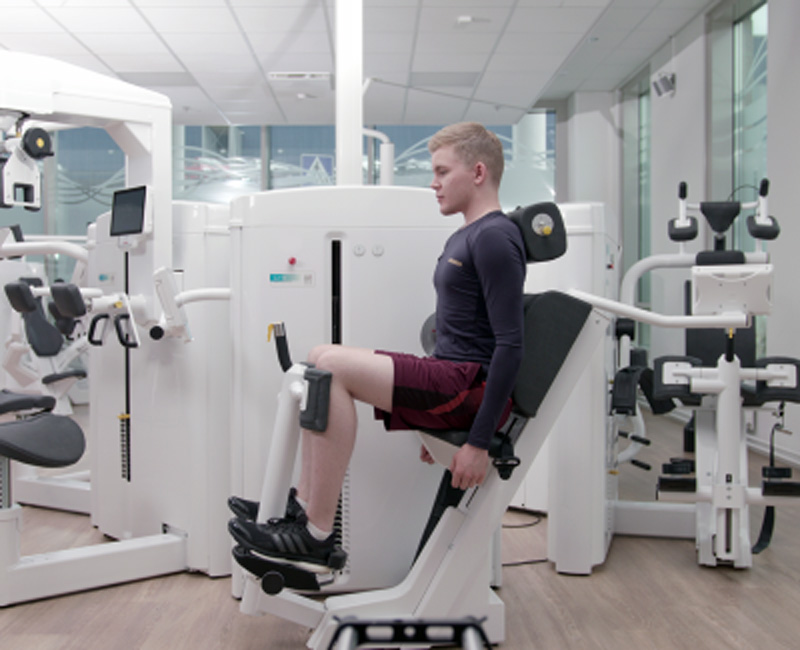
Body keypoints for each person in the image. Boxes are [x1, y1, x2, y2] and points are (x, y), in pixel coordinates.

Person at [229, 122, 526, 572]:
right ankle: (302, 509)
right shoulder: (465, 235)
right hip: (451, 378)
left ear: (479, 172)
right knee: (318, 359)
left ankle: (316, 536)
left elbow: (510, 344)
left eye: (443, 172)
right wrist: (428, 416)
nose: (433, 183)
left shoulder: (494, 237)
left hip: (469, 387)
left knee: (331, 365)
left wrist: (478, 442)